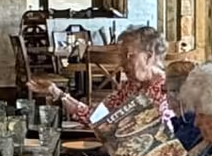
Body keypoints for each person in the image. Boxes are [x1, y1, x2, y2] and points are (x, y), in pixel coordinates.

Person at [33, 24, 170, 125]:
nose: (122, 63)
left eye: (128, 56)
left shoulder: (167, 92)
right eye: (121, 56)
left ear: (148, 57)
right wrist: (57, 92)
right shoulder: (131, 87)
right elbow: (97, 116)